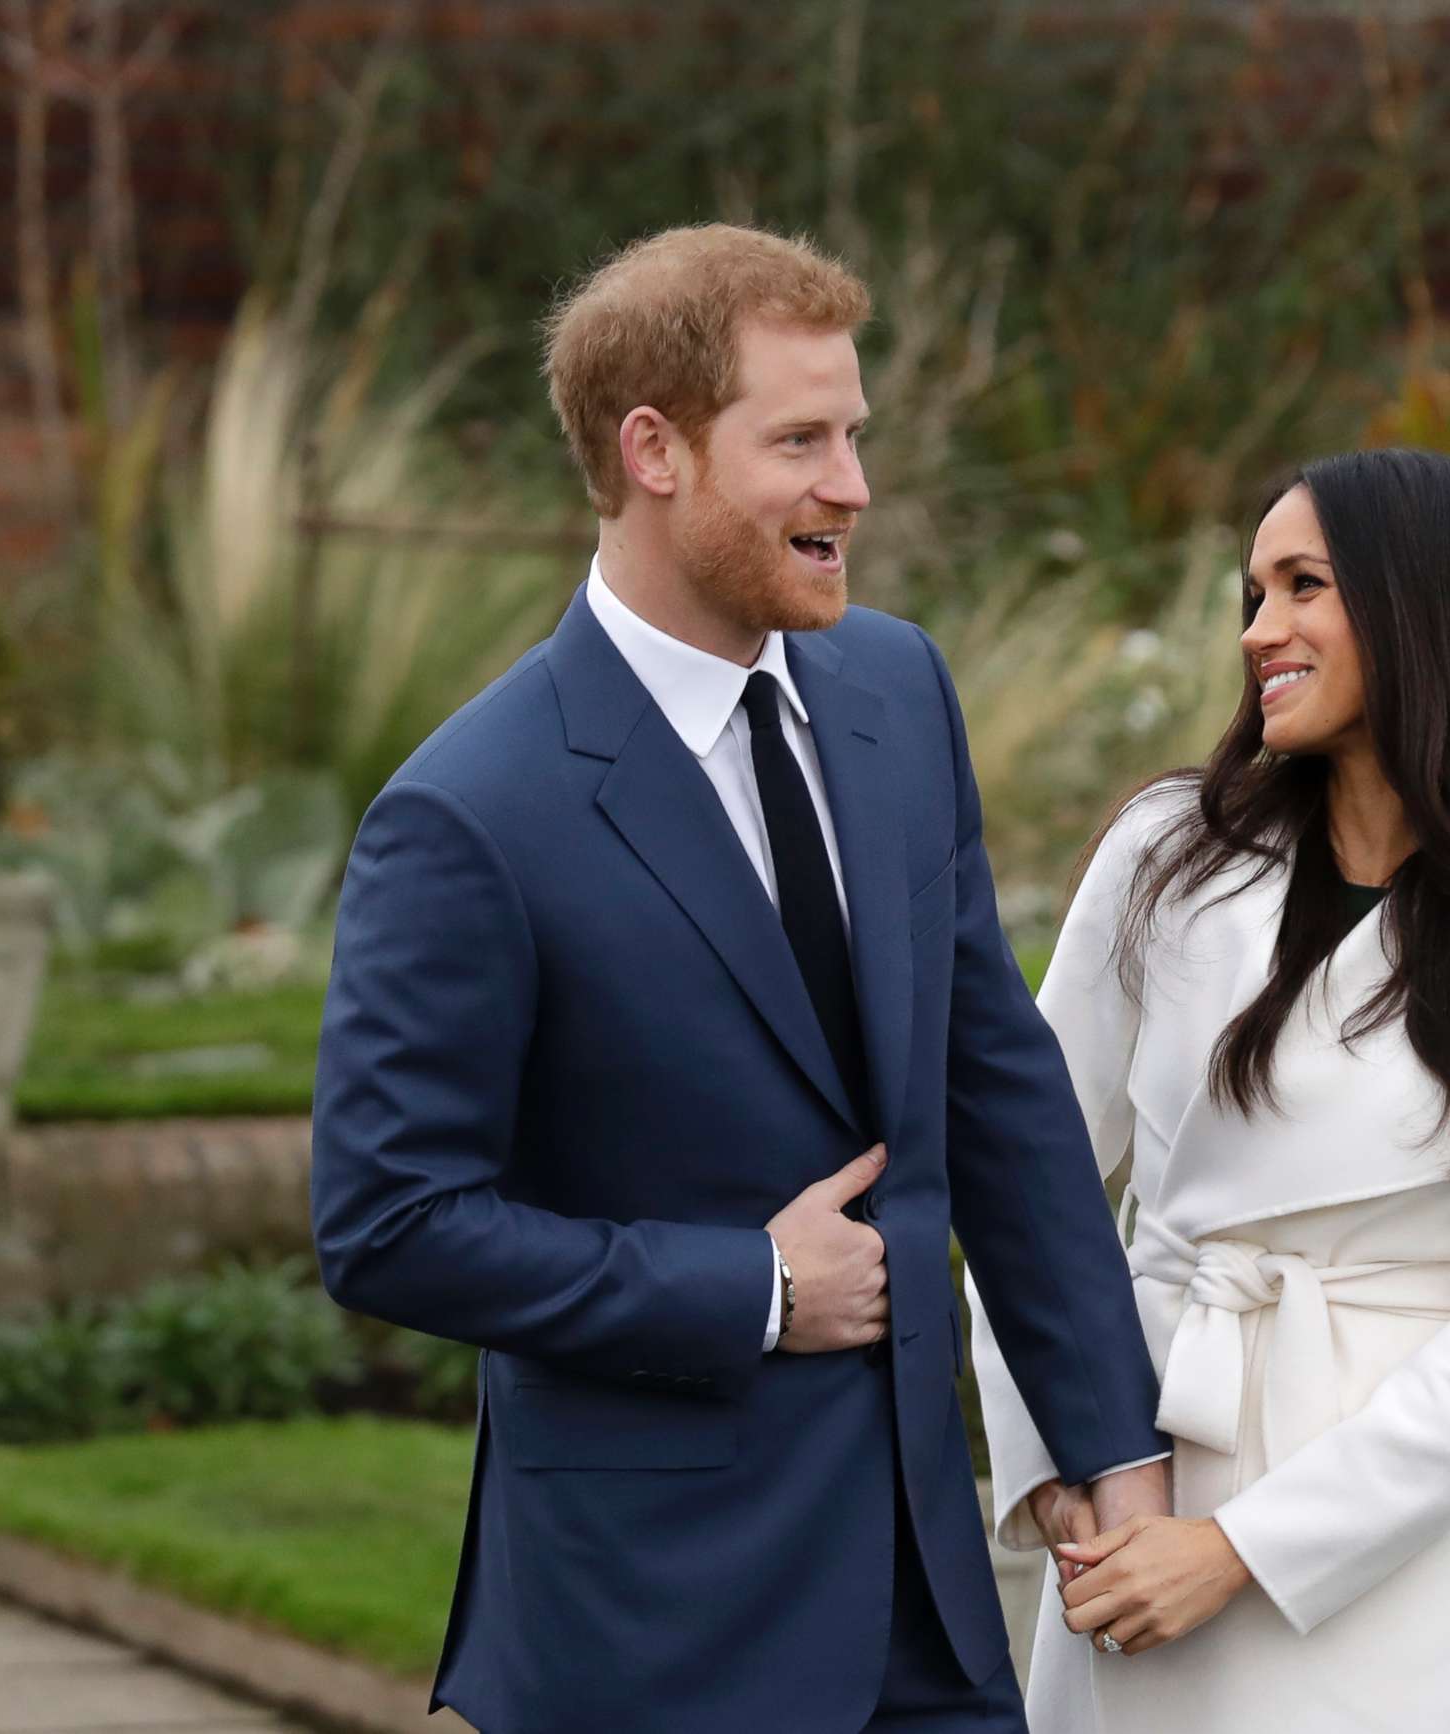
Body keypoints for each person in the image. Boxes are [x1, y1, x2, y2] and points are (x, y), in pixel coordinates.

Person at [309, 223, 1167, 1734]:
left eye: (854, 435)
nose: (854, 486)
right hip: (651, 1632)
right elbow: (390, 1223)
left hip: (929, 1614)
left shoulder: (899, 691)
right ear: (656, 450)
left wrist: (1111, 1434)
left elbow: (999, 1090)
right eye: (801, 440)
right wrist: (754, 1288)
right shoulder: (469, 813)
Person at [968, 447, 1450, 1732]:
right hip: (1142, 1490)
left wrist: (1241, 1551)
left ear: (1429, 608)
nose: (1259, 630)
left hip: (1404, 1559)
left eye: (1304, 586)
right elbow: (1027, 1176)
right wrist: (1068, 1477)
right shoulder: (1164, 861)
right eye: (1253, 592)